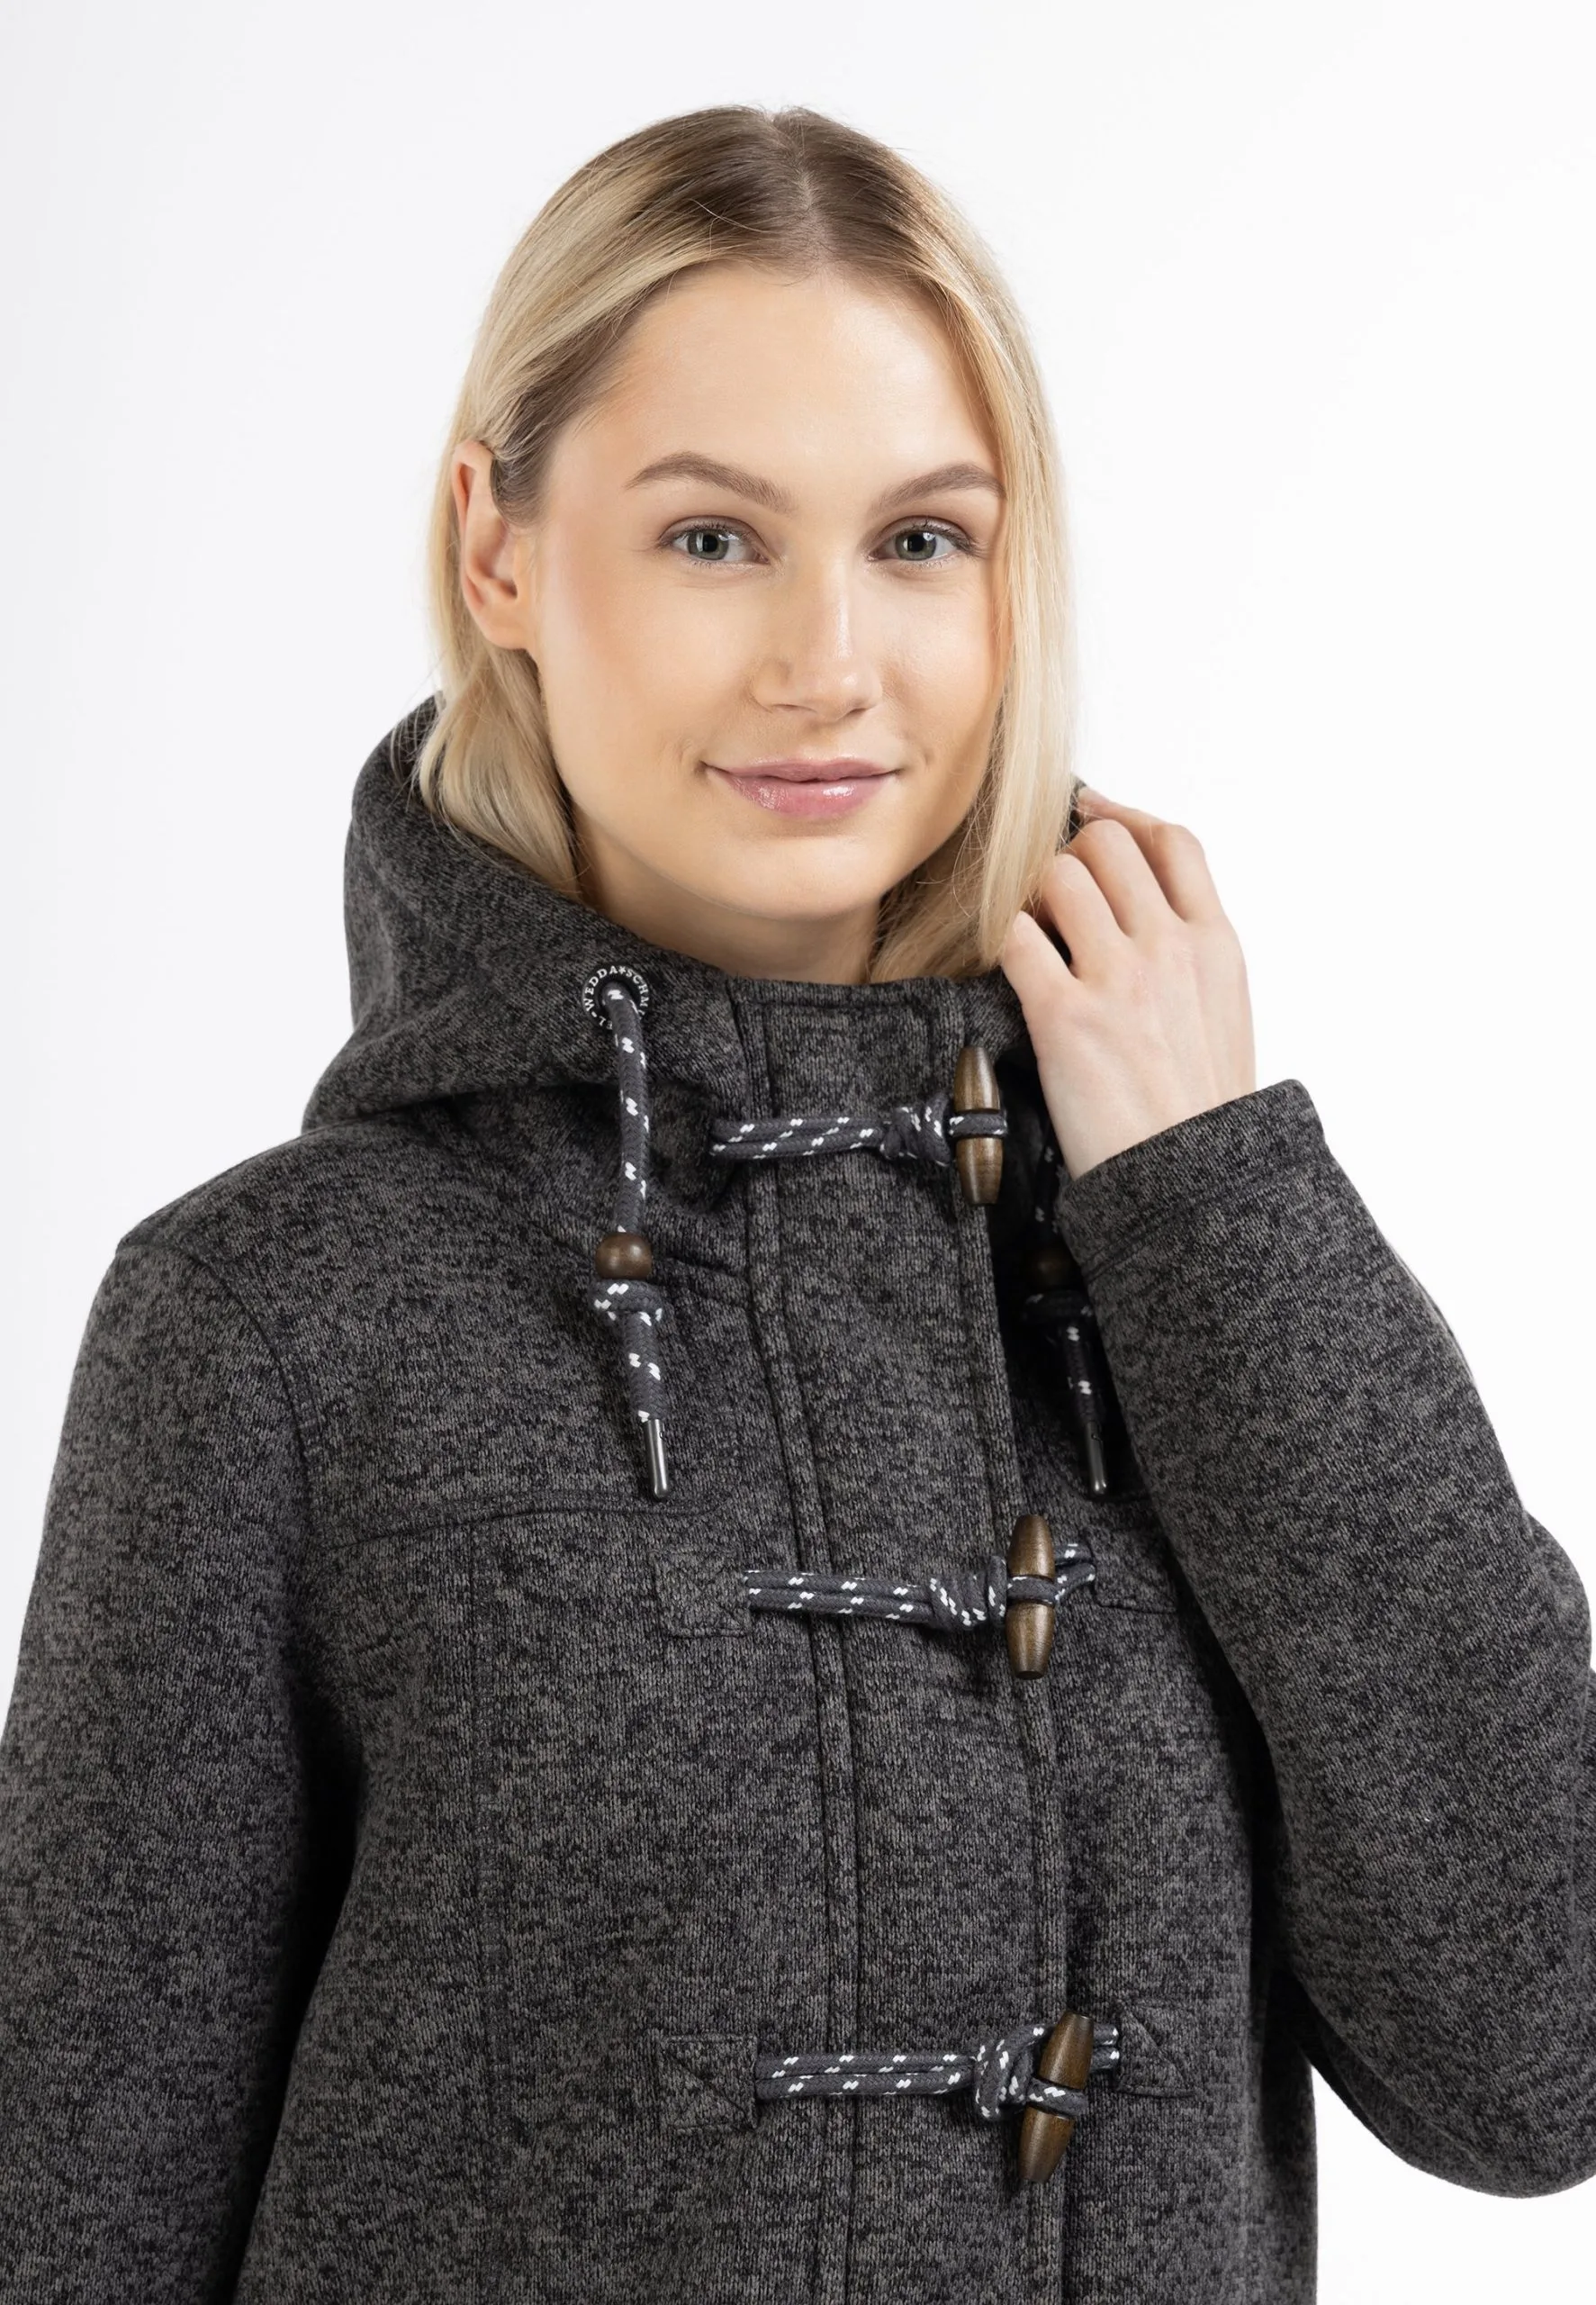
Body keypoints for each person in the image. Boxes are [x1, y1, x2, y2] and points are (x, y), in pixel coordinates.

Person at [0, 102, 1591, 2305]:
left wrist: (1217, 1205)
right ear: (498, 551)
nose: (826, 660)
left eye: (920, 539)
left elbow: (1532, 2057)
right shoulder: (268, 1317)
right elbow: (69, 2216)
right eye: (712, 537)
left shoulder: (1179, 1261)